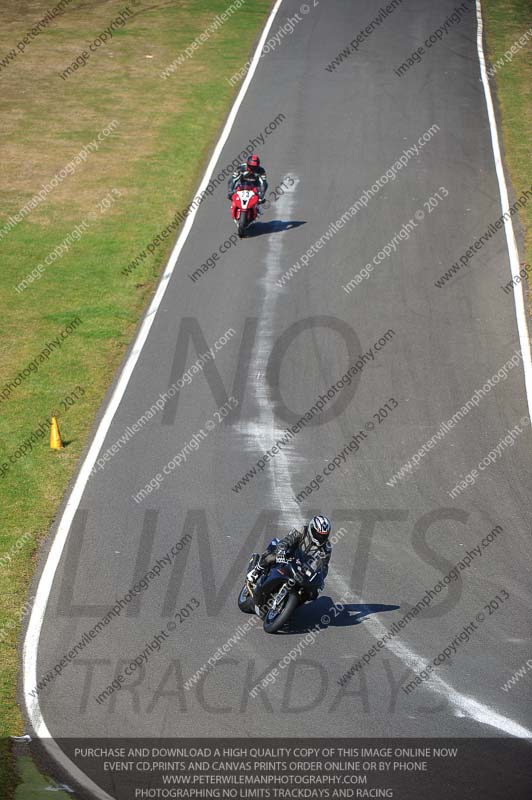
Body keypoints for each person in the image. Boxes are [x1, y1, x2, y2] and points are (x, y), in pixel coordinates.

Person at [248, 515, 332, 585]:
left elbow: (323, 567)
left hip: (304, 569)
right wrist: (282, 550)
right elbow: (286, 540)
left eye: (323, 535)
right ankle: (256, 571)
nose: (320, 537)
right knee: (272, 555)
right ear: (311, 528)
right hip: (289, 556)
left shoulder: (326, 548)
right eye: (318, 534)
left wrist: (319, 579)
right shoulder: (302, 530)